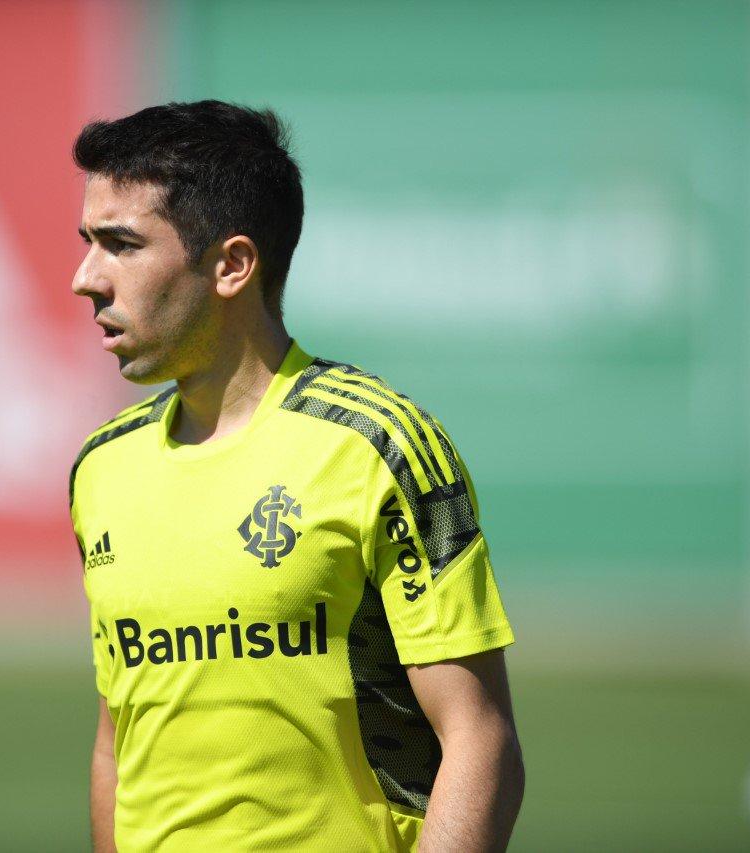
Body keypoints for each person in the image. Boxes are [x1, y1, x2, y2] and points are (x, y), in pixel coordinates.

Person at [68, 100, 524, 852]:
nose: (86, 278)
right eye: (88, 243)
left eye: (121, 244)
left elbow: (480, 738)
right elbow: (117, 742)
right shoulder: (102, 467)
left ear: (232, 265)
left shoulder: (377, 445)